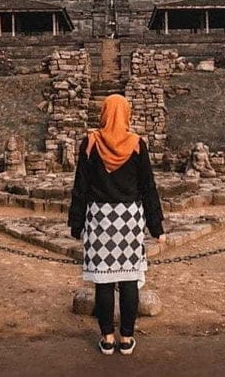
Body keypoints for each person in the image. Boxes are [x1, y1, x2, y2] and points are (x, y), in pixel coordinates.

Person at [68, 93, 165, 356]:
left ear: (104, 113)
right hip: (129, 219)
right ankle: (126, 338)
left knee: (104, 281)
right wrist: (157, 227)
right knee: (130, 278)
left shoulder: (90, 142)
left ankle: (107, 338)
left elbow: (81, 187)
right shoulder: (136, 143)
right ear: (126, 113)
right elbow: (148, 188)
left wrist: (76, 223)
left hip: (100, 218)